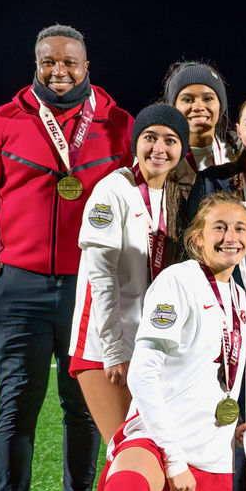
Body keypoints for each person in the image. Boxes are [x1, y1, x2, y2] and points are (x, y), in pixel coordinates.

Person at [19, 193, 246, 491]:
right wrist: (172, 458)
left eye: (240, 229)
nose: (231, 237)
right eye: (220, 228)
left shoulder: (239, 296)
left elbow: (216, 369)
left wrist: (230, 422)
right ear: (197, 237)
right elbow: (144, 373)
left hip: (207, 447)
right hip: (156, 435)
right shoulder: (177, 281)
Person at [0, 24, 133, 491]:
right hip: (20, 289)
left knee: (82, 410)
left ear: (88, 64)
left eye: (70, 62)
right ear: (35, 63)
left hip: (89, 288)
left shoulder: (118, 124)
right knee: (17, 411)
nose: (59, 70)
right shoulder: (1, 124)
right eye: (48, 61)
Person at [70, 104, 190, 443]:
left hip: (145, 343)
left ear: (182, 149)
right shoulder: (113, 189)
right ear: (136, 142)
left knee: (148, 451)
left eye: (170, 141)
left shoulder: (171, 195)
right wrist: (113, 348)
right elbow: (101, 275)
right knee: (123, 451)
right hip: (104, 346)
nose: (159, 149)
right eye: (150, 138)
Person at [164, 62, 240, 200]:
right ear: (173, 107)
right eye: (187, 99)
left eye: (208, 98)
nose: (198, 107)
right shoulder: (160, 154)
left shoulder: (239, 148)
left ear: (220, 105)